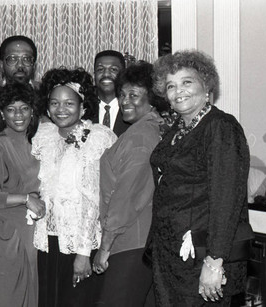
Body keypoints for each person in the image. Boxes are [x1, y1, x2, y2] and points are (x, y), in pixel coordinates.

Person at [148, 50, 252, 306]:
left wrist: (215, 262)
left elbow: (227, 199)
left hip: (202, 256)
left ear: (206, 86)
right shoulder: (178, 129)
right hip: (171, 256)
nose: (178, 91)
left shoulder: (220, 127)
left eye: (187, 82)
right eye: (170, 86)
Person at [32, 67, 117, 307]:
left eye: (69, 103)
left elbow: (94, 198)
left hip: (82, 242)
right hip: (48, 240)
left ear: (83, 107)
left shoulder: (99, 137)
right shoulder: (41, 135)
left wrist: (82, 253)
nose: (61, 109)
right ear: (47, 107)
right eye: (55, 103)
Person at [93, 61, 168, 306]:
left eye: (134, 95)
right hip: (140, 240)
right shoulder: (151, 129)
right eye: (122, 94)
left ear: (153, 98)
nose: (125, 100)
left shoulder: (140, 137)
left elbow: (125, 198)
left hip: (130, 242)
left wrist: (105, 246)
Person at [0, 83, 45, 307]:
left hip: (32, 234)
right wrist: (25, 198)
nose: (18, 115)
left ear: (33, 111)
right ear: (1, 113)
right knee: (4, 298)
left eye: (24, 108)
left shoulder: (37, 144)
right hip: (4, 233)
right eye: (11, 109)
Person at [91, 50, 130, 137]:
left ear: (123, 74)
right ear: (94, 75)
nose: (106, 74)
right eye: (100, 69)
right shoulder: (85, 109)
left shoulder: (132, 109)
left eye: (113, 69)